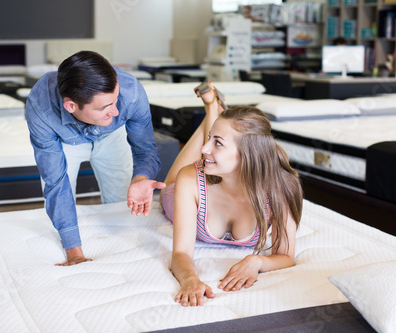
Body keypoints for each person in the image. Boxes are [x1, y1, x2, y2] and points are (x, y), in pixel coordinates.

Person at [160, 82, 303, 307]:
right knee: (169, 184)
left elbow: (286, 256)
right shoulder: (190, 179)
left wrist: (257, 261)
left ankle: (213, 110)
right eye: (210, 139)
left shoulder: (281, 188)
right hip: (181, 193)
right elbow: (180, 253)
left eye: (217, 143)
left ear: (249, 154)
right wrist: (190, 280)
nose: (205, 149)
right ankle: (212, 111)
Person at [26, 51, 165, 266]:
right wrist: (74, 251)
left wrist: (140, 177)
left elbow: (145, 149)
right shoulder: (41, 108)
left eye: (116, 100)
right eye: (104, 107)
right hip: (65, 141)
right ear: (71, 106)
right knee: (59, 191)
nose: (116, 110)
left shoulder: (131, 92)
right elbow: (56, 182)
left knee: (121, 202)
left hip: (111, 135)